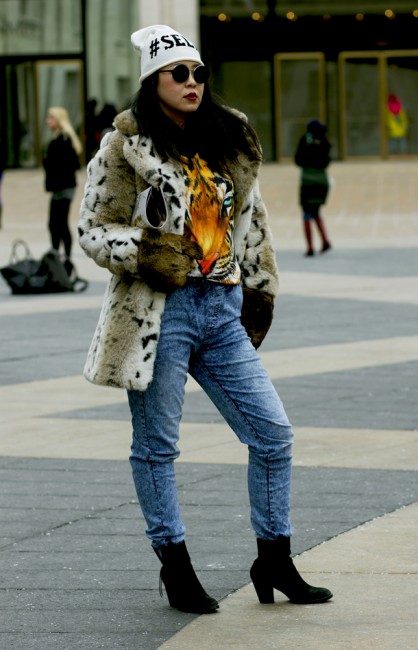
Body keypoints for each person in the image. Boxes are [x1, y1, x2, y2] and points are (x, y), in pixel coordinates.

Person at [78, 24, 333, 615]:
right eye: (179, 73)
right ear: (153, 81)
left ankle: (274, 559)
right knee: (157, 447)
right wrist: (146, 251)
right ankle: (176, 566)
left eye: (198, 73)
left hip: (221, 310)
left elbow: (253, 223)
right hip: (159, 313)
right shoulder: (125, 147)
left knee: (273, 434)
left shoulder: (227, 138)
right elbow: (93, 229)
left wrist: (261, 289)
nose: (192, 82)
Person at [43, 107, 82, 274]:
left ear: (59, 121)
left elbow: (70, 164)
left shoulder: (64, 139)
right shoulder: (58, 138)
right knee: (54, 224)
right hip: (59, 188)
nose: (48, 121)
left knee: (59, 223)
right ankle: (56, 256)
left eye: (51, 118)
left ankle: (65, 259)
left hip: (64, 188)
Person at [295, 119, 332, 257]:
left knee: (306, 213)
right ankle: (325, 241)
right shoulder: (324, 142)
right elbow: (327, 161)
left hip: (308, 182)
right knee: (315, 211)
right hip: (322, 182)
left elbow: (297, 160)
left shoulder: (305, 141)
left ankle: (310, 246)